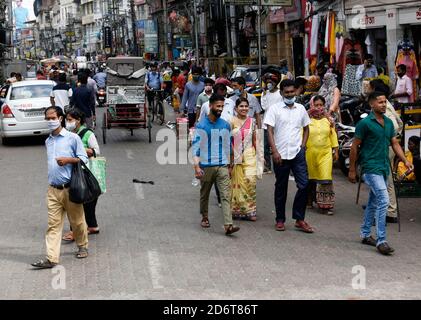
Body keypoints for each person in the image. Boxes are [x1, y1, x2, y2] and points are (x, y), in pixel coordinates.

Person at [348, 91, 413, 255]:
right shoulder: (365, 124)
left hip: (384, 166)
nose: (384, 104)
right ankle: (381, 240)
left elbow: (394, 143)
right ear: (372, 104)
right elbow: (354, 147)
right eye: (380, 102)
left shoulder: (389, 123)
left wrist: (405, 160)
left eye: (385, 102)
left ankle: (364, 233)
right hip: (370, 167)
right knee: (384, 199)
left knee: (374, 201)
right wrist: (351, 169)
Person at [31, 107, 89, 269]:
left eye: (53, 118)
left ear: (61, 118)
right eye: (47, 118)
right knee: (53, 225)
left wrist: (68, 160)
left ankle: (82, 245)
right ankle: (51, 258)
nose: (50, 121)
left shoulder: (73, 138)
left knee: (77, 222)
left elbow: (84, 159)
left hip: (71, 189)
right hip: (53, 190)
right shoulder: (48, 141)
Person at [264, 79, 314, 233]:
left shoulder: (300, 109)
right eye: (287, 92)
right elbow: (269, 131)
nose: (290, 94)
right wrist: (274, 151)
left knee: (304, 185)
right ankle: (280, 219)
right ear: (282, 93)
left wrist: (303, 146)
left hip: (297, 153)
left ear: (296, 92)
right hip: (280, 155)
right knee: (281, 187)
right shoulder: (274, 109)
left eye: (292, 92)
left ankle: (299, 219)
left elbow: (306, 128)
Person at [192, 94, 240, 236]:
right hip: (206, 166)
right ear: (211, 105)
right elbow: (196, 148)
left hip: (222, 166)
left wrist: (231, 164)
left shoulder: (225, 124)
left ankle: (228, 225)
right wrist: (196, 167)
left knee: (226, 195)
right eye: (218, 106)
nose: (220, 109)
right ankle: (205, 217)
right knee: (204, 194)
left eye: (222, 106)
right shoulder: (201, 125)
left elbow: (229, 146)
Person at [62, 108, 101, 242]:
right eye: (67, 120)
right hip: (73, 171)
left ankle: (75, 232)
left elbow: (96, 151)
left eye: (70, 120)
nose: (68, 122)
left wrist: (79, 149)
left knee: (76, 200)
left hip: (84, 173)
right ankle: (93, 226)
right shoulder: (68, 133)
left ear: (78, 120)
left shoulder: (87, 133)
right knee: (87, 201)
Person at [368, 79, 403, 223]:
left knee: (386, 180)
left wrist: (383, 136)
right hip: (383, 147)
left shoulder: (384, 107)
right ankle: (380, 208)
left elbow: (394, 126)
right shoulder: (381, 105)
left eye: (370, 88)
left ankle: (390, 211)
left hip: (386, 147)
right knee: (379, 179)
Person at [306, 95, 339, 215]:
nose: (319, 108)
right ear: (312, 105)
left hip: (325, 153)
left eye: (321, 105)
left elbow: (332, 135)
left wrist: (336, 150)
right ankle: (309, 200)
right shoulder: (306, 119)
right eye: (316, 105)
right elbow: (301, 134)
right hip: (309, 153)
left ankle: (325, 205)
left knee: (325, 178)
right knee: (311, 178)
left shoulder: (329, 120)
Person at [231, 97, 260, 221]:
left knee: (250, 181)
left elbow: (255, 140)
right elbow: (228, 140)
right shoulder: (231, 121)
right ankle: (238, 210)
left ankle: (250, 210)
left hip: (250, 154)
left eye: (246, 106)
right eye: (241, 106)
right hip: (236, 154)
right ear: (236, 108)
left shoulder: (252, 121)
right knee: (237, 182)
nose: (244, 108)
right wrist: (233, 154)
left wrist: (260, 156)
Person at [261, 72, 282, 174]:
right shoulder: (265, 93)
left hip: (278, 124)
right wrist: (264, 95)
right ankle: (267, 166)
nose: (269, 84)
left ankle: (278, 163)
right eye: (267, 82)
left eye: (271, 82)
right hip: (266, 123)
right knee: (265, 146)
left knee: (277, 144)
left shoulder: (280, 94)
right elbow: (264, 107)